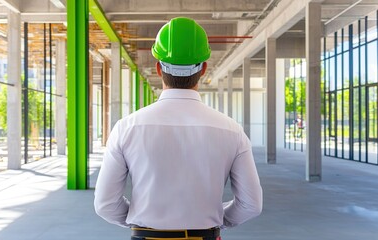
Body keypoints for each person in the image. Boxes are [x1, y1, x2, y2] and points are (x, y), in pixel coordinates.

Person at [94, 17, 263, 240]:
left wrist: (141, 222)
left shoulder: (127, 128)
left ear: (158, 68)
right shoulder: (232, 131)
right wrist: (218, 220)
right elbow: (251, 204)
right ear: (203, 68)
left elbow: (105, 204)